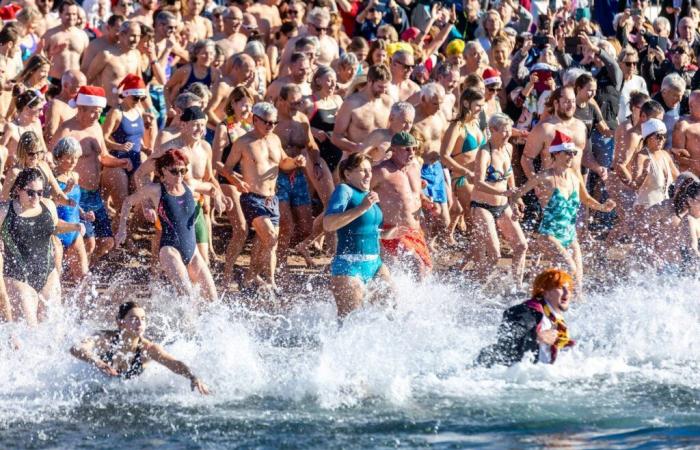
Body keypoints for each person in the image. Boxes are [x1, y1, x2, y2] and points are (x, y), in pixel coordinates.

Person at [509, 131, 616, 293]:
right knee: (570, 270)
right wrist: (515, 206)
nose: (572, 157)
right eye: (568, 153)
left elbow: (585, 199)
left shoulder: (574, 176)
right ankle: (535, 290)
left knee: (578, 285)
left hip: (570, 235)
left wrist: (602, 207)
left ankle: (538, 291)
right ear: (556, 154)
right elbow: (517, 193)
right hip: (549, 235)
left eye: (574, 153)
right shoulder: (544, 177)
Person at [116, 150, 219, 301]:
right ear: (163, 170)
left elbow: (211, 188)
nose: (179, 176)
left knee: (212, 299)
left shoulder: (190, 185)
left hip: (193, 252)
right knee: (188, 297)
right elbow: (127, 202)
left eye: (183, 171)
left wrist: (219, 199)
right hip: (170, 251)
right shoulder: (156, 190)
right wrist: (122, 230)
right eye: (174, 171)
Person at [225, 102, 306, 292]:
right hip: (252, 196)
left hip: (272, 198)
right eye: (267, 123)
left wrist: (295, 162)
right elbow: (227, 168)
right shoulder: (243, 142)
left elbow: (284, 163)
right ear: (255, 120)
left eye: (274, 123)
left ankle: (249, 278)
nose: (271, 126)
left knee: (264, 243)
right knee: (270, 238)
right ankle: (271, 282)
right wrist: (237, 182)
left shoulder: (275, 140)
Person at [51, 85, 132, 266]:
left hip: (94, 194)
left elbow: (103, 157)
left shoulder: (96, 127)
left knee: (107, 242)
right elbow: (51, 161)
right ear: (81, 108)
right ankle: (71, 274)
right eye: (94, 112)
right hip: (76, 194)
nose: (98, 116)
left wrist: (121, 162)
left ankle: (82, 269)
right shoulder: (67, 131)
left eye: (100, 112)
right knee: (87, 242)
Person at [0, 168, 84, 326]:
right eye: (31, 193)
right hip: (17, 278)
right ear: (18, 190)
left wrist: (74, 226)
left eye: (40, 192)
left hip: (48, 275)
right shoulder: (5, 212)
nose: (36, 197)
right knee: (29, 331)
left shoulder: (48, 205)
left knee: (53, 331)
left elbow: (54, 226)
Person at [70, 301, 210, 394]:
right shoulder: (105, 338)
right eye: (133, 318)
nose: (140, 323)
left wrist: (193, 377)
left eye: (143, 319)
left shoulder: (147, 349)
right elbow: (76, 348)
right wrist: (98, 362)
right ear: (120, 322)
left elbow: (173, 363)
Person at [323, 153, 396, 318]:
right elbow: (328, 224)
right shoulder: (344, 190)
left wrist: (386, 234)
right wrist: (362, 208)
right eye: (363, 171)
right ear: (348, 174)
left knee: (391, 312)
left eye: (370, 170)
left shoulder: (368, 196)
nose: (369, 174)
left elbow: (365, 231)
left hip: (375, 264)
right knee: (351, 321)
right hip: (349, 265)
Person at [470, 114, 528, 290]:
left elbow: (509, 176)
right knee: (494, 253)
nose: (508, 134)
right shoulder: (484, 152)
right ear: (493, 130)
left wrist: (516, 198)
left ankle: (516, 286)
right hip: (482, 206)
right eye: (504, 131)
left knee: (521, 246)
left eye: (509, 130)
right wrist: (503, 191)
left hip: (502, 205)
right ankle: (483, 287)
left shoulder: (508, 148)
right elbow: (478, 182)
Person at [475, 269, 576, 367]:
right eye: (560, 288)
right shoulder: (526, 312)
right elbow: (507, 340)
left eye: (569, 289)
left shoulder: (556, 319)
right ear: (544, 292)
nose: (567, 293)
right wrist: (536, 337)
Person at [372, 131, 433, 277]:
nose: (411, 152)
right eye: (406, 149)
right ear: (393, 150)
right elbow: (359, 191)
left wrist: (424, 200)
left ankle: (407, 299)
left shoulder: (415, 166)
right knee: (418, 268)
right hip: (395, 230)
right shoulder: (382, 171)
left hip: (415, 231)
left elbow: (415, 192)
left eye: (414, 148)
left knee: (426, 271)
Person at [102, 74, 148, 224]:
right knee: (123, 205)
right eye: (136, 98)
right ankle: (121, 238)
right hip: (118, 162)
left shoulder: (139, 111)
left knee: (141, 202)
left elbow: (136, 139)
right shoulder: (116, 113)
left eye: (142, 98)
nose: (139, 102)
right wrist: (118, 146)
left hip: (135, 161)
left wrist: (145, 148)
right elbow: (102, 138)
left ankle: (126, 234)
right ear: (126, 95)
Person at [331, 64, 393, 156]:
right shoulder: (351, 103)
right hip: (356, 160)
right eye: (380, 87)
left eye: (386, 87)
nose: (383, 91)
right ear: (369, 81)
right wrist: (355, 147)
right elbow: (336, 137)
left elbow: (392, 132)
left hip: (379, 161)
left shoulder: (388, 102)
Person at [53, 137, 92, 282]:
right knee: (55, 279)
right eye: (69, 158)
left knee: (84, 276)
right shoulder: (52, 177)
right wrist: (66, 192)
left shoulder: (75, 176)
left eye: (75, 158)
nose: (73, 162)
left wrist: (83, 213)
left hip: (75, 230)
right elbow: (47, 206)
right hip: (57, 231)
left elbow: (74, 203)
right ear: (59, 156)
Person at [36, 0, 89, 95]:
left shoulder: (82, 35)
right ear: (60, 14)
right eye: (68, 14)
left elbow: (86, 62)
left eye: (74, 14)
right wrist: (51, 54)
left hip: (74, 83)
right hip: (54, 81)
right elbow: (37, 58)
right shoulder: (50, 34)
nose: (72, 17)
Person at [633, 118, 679, 210]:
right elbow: (635, 185)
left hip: (662, 210)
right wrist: (645, 173)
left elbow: (678, 179)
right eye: (658, 136)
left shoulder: (665, 155)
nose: (662, 139)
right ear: (648, 137)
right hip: (644, 210)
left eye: (664, 136)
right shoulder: (641, 157)